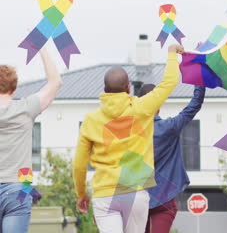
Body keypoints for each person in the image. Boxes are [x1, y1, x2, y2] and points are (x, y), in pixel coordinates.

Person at [73, 45, 183, 233]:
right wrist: (171, 53)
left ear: (104, 89)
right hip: (135, 192)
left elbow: (79, 164)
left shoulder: (91, 120)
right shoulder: (142, 108)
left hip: (104, 194)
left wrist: (81, 193)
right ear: (128, 87)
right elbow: (169, 82)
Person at [0, 48, 62, 233]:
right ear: (15, 87)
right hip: (19, 188)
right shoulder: (26, 109)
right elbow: (56, 82)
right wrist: (41, 48)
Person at [137, 85, 205, 233]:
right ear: (159, 105)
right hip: (164, 199)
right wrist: (199, 81)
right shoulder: (170, 127)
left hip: (137, 200)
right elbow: (195, 103)